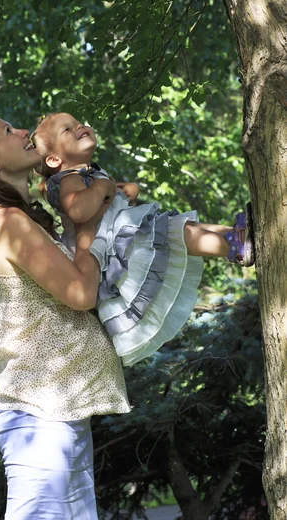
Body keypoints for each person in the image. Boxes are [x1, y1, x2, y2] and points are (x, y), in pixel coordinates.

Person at [0, 112, 131, 520]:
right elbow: (81, 293)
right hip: (40, 421)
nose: (24, 132)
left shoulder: (23, 219)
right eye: (7, 132)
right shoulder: (8, 223)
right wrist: (87, 233)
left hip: (59, 413)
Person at [31, 112, 255, 367]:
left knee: (183, 227)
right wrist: (103, 188)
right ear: (53, 159)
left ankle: (234, 233)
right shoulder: (67, 179)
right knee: (179, 233)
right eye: (67, 129)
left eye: (79, 123)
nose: (80, 127)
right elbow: (79, 210)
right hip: (117, 248)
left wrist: (124, 189)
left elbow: (109, 197)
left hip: (125, 234)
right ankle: (232, 246)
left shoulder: (88, 173)